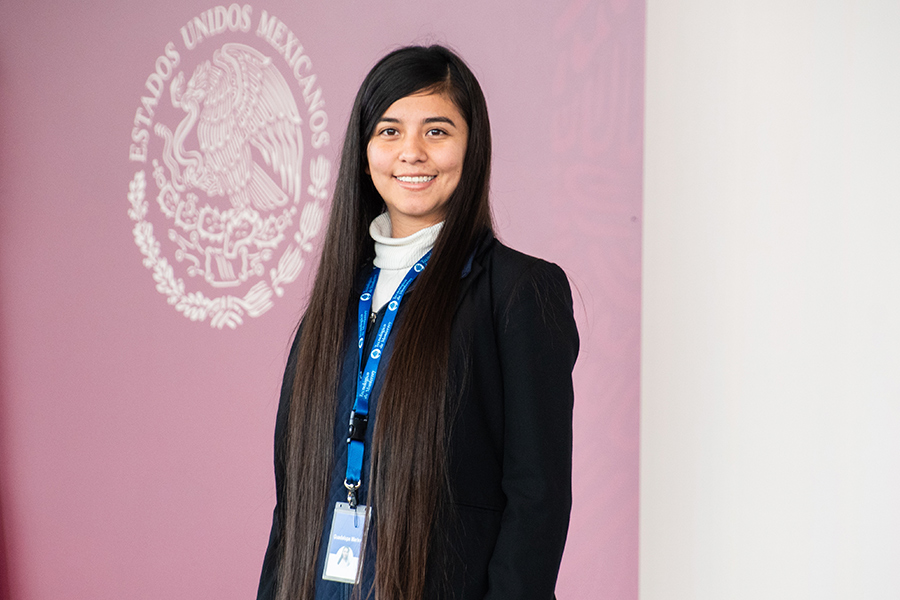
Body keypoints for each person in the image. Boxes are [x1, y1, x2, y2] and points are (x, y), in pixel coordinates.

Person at [257, 44, 579, 600]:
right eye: (389, 131)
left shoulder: (519, 292)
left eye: (436, 131)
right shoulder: (330, 311)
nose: (411, 153)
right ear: (363, 155)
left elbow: (537, 499)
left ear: (472, 147)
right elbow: (292, 509)